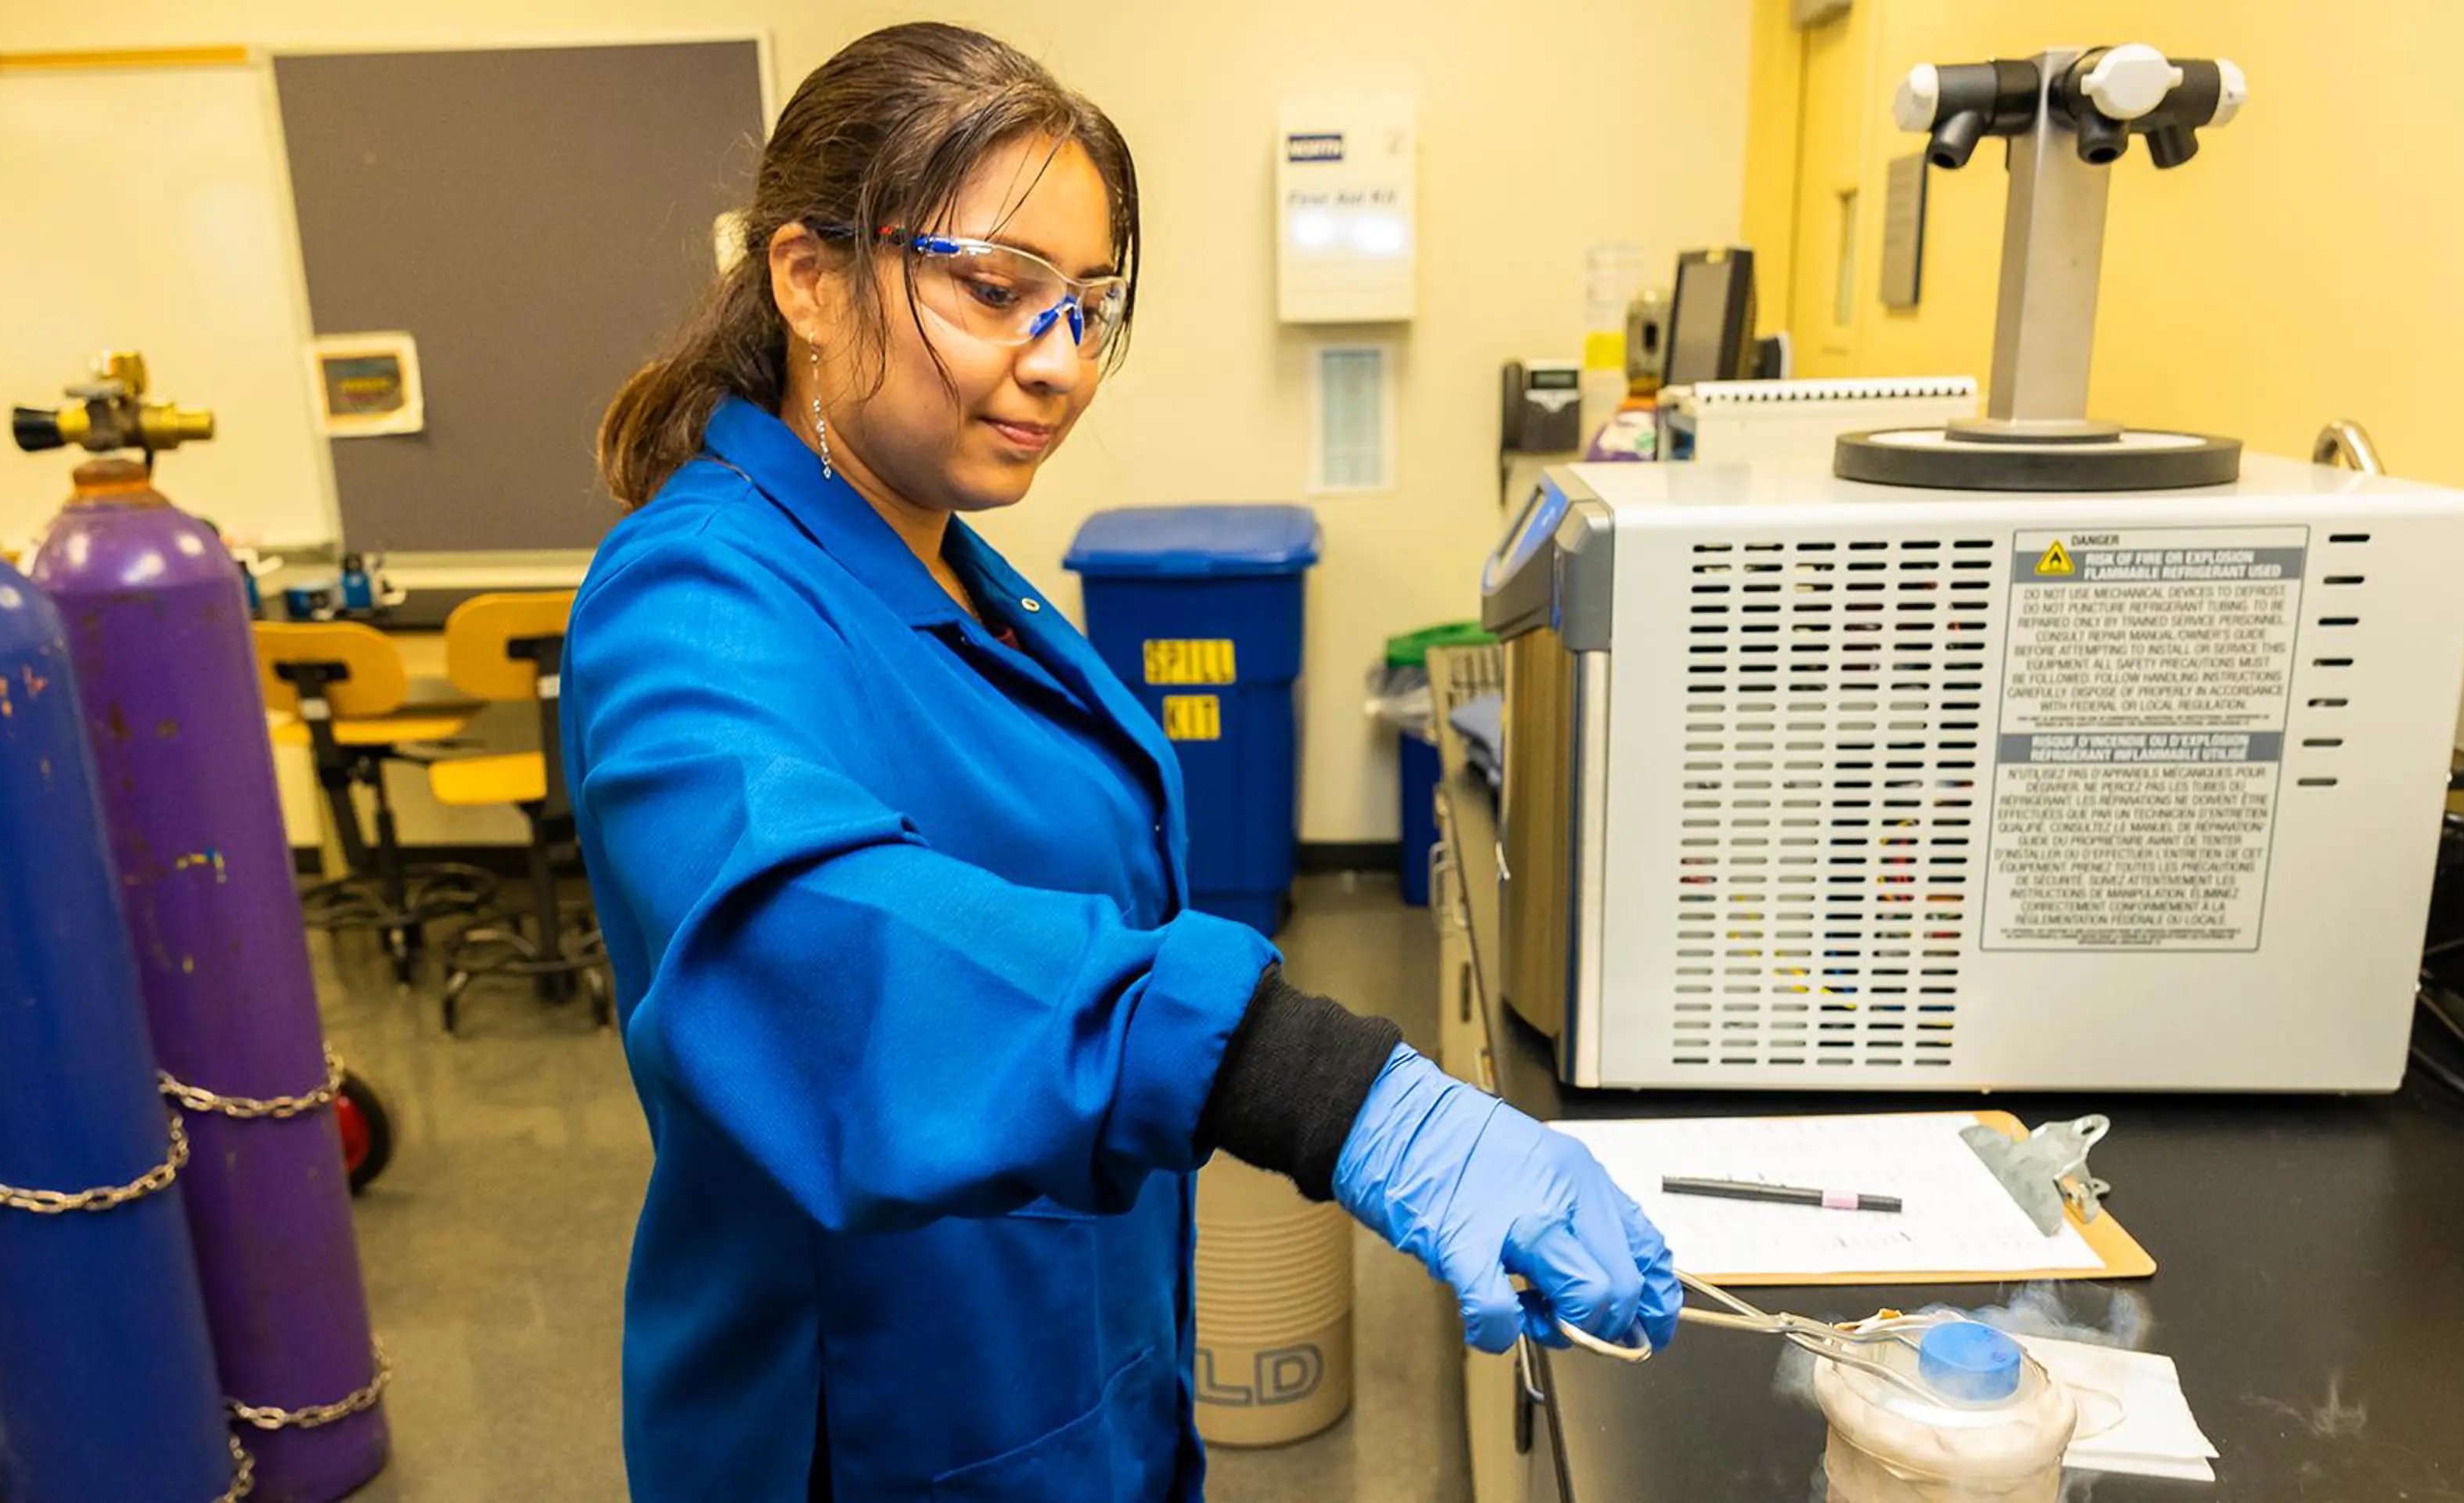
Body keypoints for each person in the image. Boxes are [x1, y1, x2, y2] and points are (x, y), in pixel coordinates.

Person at [569, 23, 1680, 1501]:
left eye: (1089, 305)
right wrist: (1322, 1089)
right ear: (811, 281)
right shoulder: (696, 602)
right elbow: (804, 952)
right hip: (887, 1430)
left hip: (1075, 1374)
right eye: (996, 291)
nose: (1061, 362)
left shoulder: (961, 569)